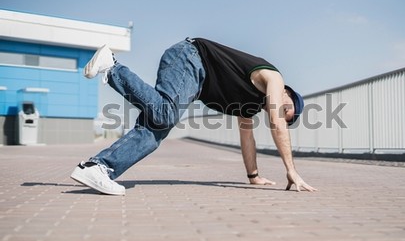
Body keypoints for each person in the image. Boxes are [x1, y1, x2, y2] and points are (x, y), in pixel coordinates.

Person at [70, 37, 317, 195]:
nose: (278, 115)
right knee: (166, 115)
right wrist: (291, 170)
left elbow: (247, 137)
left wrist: (253, 177)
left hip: (193, 77)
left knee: (156, 130)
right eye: (285, 110)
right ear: (286, 93)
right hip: (190, 57)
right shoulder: (273, 78)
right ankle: (113, 67)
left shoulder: (251, 105)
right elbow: (275, 122)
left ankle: (98, 167)